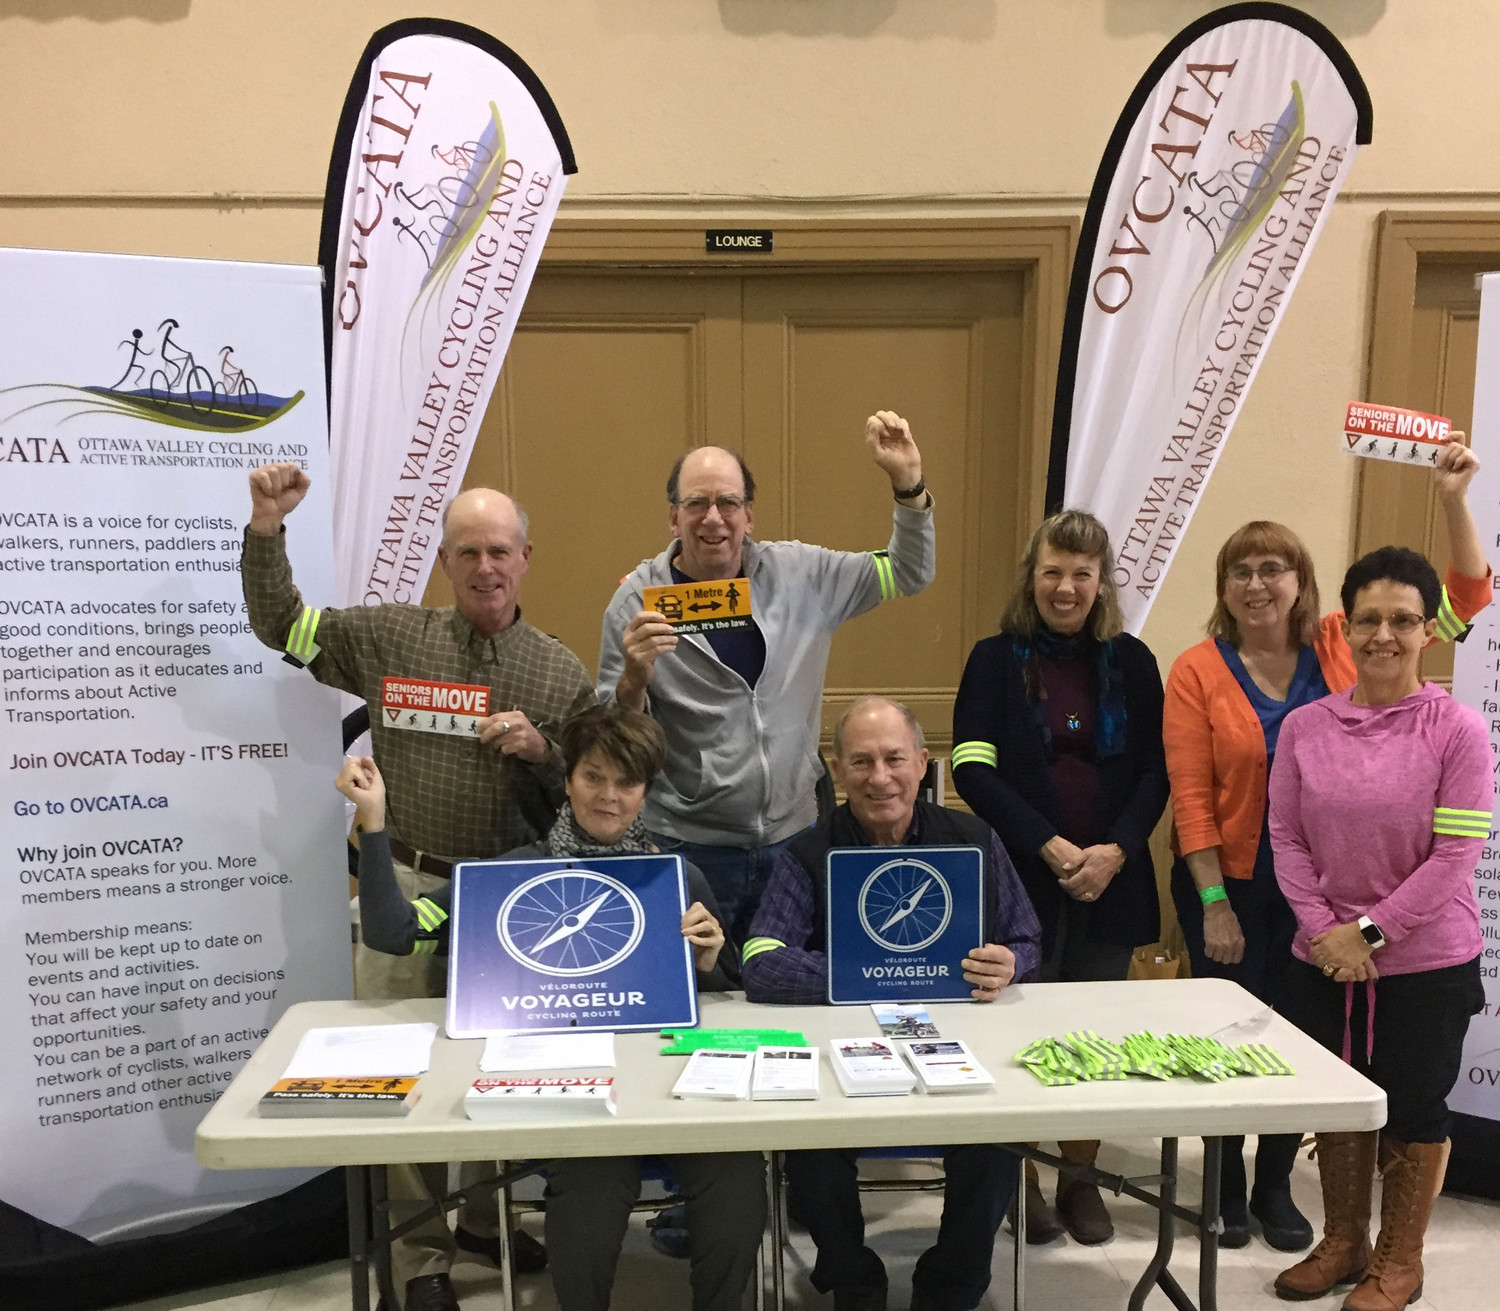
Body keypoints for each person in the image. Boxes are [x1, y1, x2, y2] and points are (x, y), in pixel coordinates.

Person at [243, 463, 595, 1311]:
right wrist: (266, 529)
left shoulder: (560, 672)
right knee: (398, 1068)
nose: (486, 567)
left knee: (491, 1068)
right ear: (445, 562)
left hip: (507, 900)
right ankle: (420, 1254)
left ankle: (480, 1213)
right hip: (403, 882)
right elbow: (282, 624)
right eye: (468, 551)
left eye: (500, 550)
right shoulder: (390, 638)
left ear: (526, 557)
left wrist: (545, 754)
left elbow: (586, 804)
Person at [1162, 441, 1487, 1253]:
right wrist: (1212, 904)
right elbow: (1193, 799)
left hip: (1343, 898)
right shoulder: (1198, 669)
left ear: (1302, 582)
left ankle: (1275, 1185)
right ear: (1223, 587)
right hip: (1237, 885)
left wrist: (1450, 497)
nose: (1259, 582)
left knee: (1300, 1051)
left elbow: (1469, 595)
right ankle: (1226, 1185)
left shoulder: (1351, 637)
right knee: (1229, 1042)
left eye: (1275, 566)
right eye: (1242, 569)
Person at [341, 704, 767, 1311]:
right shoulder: (508, 877)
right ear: (568, 780)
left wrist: (710, 962)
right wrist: (374, 821)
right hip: (576, 1094)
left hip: (673, 1091)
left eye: (627, 783)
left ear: (646, 791)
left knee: (735, 1173)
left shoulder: (681, 879)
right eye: (594, 776)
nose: (610, 797)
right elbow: (392, 932)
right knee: (591, 1181)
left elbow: (723, 996)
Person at [742, 697, 1042, 1311]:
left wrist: (1012, 964)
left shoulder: (975, 840)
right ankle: (853, 1279)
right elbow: (759, 961)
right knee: (808, 1139)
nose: (879, 777)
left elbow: (1028, 938)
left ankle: (953, 1286)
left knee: (995, 1141)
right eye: (861, 762)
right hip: (842, 1049)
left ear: (923, 763)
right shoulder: (807, 853)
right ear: (837, 769)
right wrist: (867, 977)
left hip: (960, 1040)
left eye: (893, 759)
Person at [598, 413, 936, 947]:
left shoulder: (803, 575)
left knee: (791, 995)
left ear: (749, 516)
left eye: (728, 503)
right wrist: (634, 679)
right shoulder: (636, 602)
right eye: (696, 504)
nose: (714, 518)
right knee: (702, 1000)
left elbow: (909, 572)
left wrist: (907, 485)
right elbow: (615, 744)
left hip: (795, 840)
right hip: (690, 847)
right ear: (672, 517)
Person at [1268, 547, 1489, 1311]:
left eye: (1402, 619)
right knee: (1336, 1101)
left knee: (1416, 1108)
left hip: (1425, 962)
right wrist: (1328, 933)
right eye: (1369, 618)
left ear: (1429, 629)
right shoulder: (1305, 727)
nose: (1384, 634)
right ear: (1347, 625)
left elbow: (1458, 851)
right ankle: (1344, 1241)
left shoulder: (1458, 729)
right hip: (1322, 957)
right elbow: (1286, 839)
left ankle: (1400, 1258)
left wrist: (1368, 932)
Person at [950, 509, 1168, 1245]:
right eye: (1053, 571)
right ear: (1031, 576)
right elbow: (972, 767)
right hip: (1022, 880)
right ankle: (1025, 1179)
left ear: (1101, 580)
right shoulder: (993, 658)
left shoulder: (1133, 661)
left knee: (1092, 1039)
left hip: (1113, 880)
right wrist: (1047, 844)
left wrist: (1113, 851)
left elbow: (1155, 772)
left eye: (1081, 572)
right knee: (1021, 1034)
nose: (1066, 586)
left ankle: (1082, 1179)